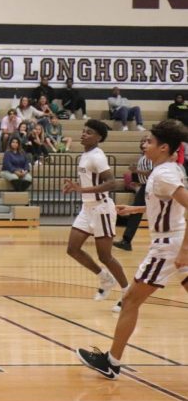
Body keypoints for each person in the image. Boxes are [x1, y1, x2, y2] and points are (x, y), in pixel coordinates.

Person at [76, 119, 188, 380]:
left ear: (164, 147)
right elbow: (167, 205)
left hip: (168, 247)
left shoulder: (164, 173)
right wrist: (136, 209)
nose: (144, 144)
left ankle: (111, 362)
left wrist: (183, 251)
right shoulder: (169, 169)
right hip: (173, 242)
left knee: (129, 300)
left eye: (149, 141)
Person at [62, 120, 130, 312]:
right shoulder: (85, 155)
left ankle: (127, 293)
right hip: (87, 208)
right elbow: (89, 179)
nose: (83, 134)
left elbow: (111, 183)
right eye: (83, 131)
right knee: (73, 249)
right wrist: (75, 185)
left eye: (89, 132)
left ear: (99, 137)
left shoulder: (98, 157)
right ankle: (105, 278)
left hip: (102, 209)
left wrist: (82, 189)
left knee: (105, 256)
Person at [113, 136, 153, 252]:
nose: (143, 143)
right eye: (141, 141)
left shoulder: (150, 157)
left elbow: (152, 173)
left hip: (149, 188)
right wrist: (137, 181)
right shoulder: (143, 157)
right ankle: (126, 241)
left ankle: (127, 241)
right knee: (136, 212)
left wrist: (137, 171)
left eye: (146, 141)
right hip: (144, 186)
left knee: (136, 212)